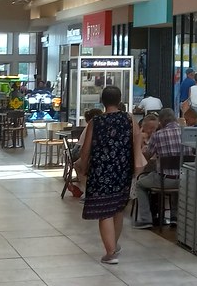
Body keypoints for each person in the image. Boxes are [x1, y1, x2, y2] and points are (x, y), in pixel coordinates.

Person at [77, 85, 140, 264]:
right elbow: (137, 140)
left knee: (104, 211)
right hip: (123, 169)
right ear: (120, 100)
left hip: (100, 171)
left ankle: (110, 252)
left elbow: (86, 150)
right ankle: (115, 244)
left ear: (102, 101)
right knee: (118, 208)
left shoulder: (95, 122)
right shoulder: (129, 119)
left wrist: (83, 166)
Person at [134, 108, 183, 229]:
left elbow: (147, 156)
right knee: (178, 178)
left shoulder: (158, 135)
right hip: (184, 180)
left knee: (140, 184)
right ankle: (174, 217)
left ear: (161, 121)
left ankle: (146, 219)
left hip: (164, 180)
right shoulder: (186, 132)